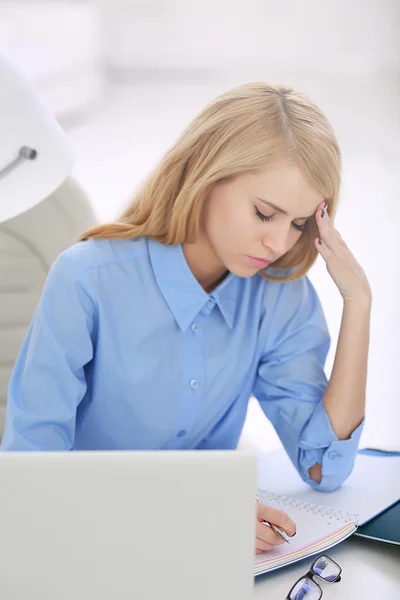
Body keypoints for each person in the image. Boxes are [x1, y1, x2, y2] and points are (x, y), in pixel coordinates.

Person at [1, 82, 372, 555]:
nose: (279, 243)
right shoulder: (87, 280)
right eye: (264, 213)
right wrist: (191, 516)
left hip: (199, 563)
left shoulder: (279, 296)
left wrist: (357, 303)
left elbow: (324, 468)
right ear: (205, 176)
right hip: (84, 552)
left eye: (298, 224)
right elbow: (31, 476)